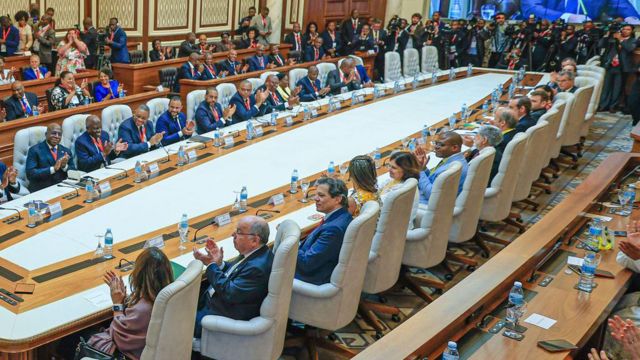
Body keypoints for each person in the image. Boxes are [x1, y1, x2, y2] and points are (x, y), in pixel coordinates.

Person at [192, 215, 274, 344]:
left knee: (173, 319)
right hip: (215, 302)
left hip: (220, 314)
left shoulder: (257, 268)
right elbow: (235, 271)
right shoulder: (256, 253)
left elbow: (229, 292)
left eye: (239, 232)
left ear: (254, 240)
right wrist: (219, 264)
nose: (233, 234)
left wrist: (211, 266)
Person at [87, 247, 174, 360]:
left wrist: (117, 304)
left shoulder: (142, 309)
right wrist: (125, 299)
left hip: (127, 354)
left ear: (139, 274)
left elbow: (118, 337)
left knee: (70, 340)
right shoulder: (168, 296)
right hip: (159, 351)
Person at [296, 177, 352, 285]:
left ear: (338, 199)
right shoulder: (343, 216)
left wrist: (290, 242)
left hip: (312, 278)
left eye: (321, 195)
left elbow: (307, 264)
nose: (315, 198)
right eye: (316, 194)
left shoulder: (333, 229)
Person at [413, 131, 468, 204]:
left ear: (454, 148)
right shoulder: (456, 160)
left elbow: (431, 194)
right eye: (436, 143)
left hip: (427, 205)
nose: (435, 147)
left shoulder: (452, 169)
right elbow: (434, 179)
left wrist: (419, 170)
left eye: (441, 145)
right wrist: (423, 168)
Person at [26, 123, 75, 192]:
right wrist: (52, 169)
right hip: (41, 190)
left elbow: (74, 172)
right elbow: (30, 174)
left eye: (59, 134)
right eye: (54, 133)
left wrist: (64, 166)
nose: (57, 136)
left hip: (62, 189)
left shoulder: (66, 151)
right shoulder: (34, 150)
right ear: (46, 134)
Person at [598, 24, 636, 112]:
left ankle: (613, 106)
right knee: (606, 87)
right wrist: (607, 35)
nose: (625, 31)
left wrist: (620, 39)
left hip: (622, 67)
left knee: (617, 88)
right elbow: (600, 45)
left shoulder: (633, 40)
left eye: (628, 29)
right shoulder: (613, 38)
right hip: (610, 65)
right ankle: (603, 105)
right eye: (624, 29)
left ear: (631, 31)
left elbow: (630, 48)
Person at [378, 151, 419, 224]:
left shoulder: (402, 189)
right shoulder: (394, 180)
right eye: (389, 165)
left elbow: (378, 206)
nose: (389, 170)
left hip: (394, 230)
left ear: (406, 170)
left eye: (393, 168)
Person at [521, 0, 640, 24]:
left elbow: (621, 4)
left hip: (588, 37)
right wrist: (565, 17)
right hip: (550, 36)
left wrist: (631, 17)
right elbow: (530, 7)